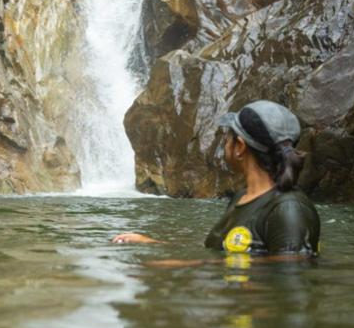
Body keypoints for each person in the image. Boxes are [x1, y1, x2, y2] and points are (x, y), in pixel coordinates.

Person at [113, 100, 320, 257]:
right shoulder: (241, 198)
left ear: (239, 147)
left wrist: (197, 265)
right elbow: (219, 253)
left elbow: (293, 271)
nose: (224, 145)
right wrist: (151, 243)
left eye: (227, 138)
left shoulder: (289, 208)